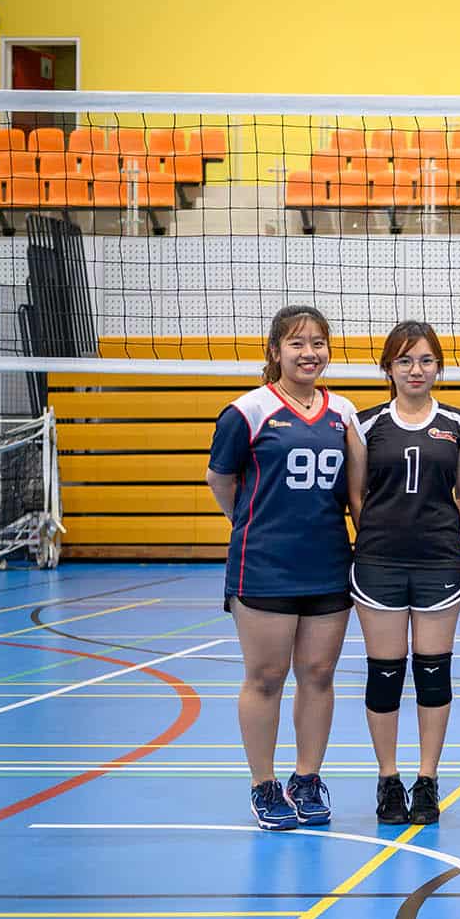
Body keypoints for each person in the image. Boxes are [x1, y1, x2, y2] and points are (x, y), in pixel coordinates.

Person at [204, 305, 358, 830]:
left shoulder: (344, 412)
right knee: (266, 677)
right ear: (275, 351)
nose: (309, 353)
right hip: (264, 566)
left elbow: (353, 490)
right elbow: (220, 480)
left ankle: (307, 779)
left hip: (328, 564)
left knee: (318, 675)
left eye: (318, 343)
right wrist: (251, 522)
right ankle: (263, 784)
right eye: (297, 343)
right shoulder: (247, 411)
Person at [345, 320, 460, 826]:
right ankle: (388, 779)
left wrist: (436, 535)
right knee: (384, 674)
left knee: (432, 672)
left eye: (425, 360)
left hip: (438, 562)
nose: (415, 369)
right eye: (404, 360)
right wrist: (385, 535)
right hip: (378, 561)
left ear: (438, 366)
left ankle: (427, 779)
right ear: (388, 368)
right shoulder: (364, 424)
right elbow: (356, 496)